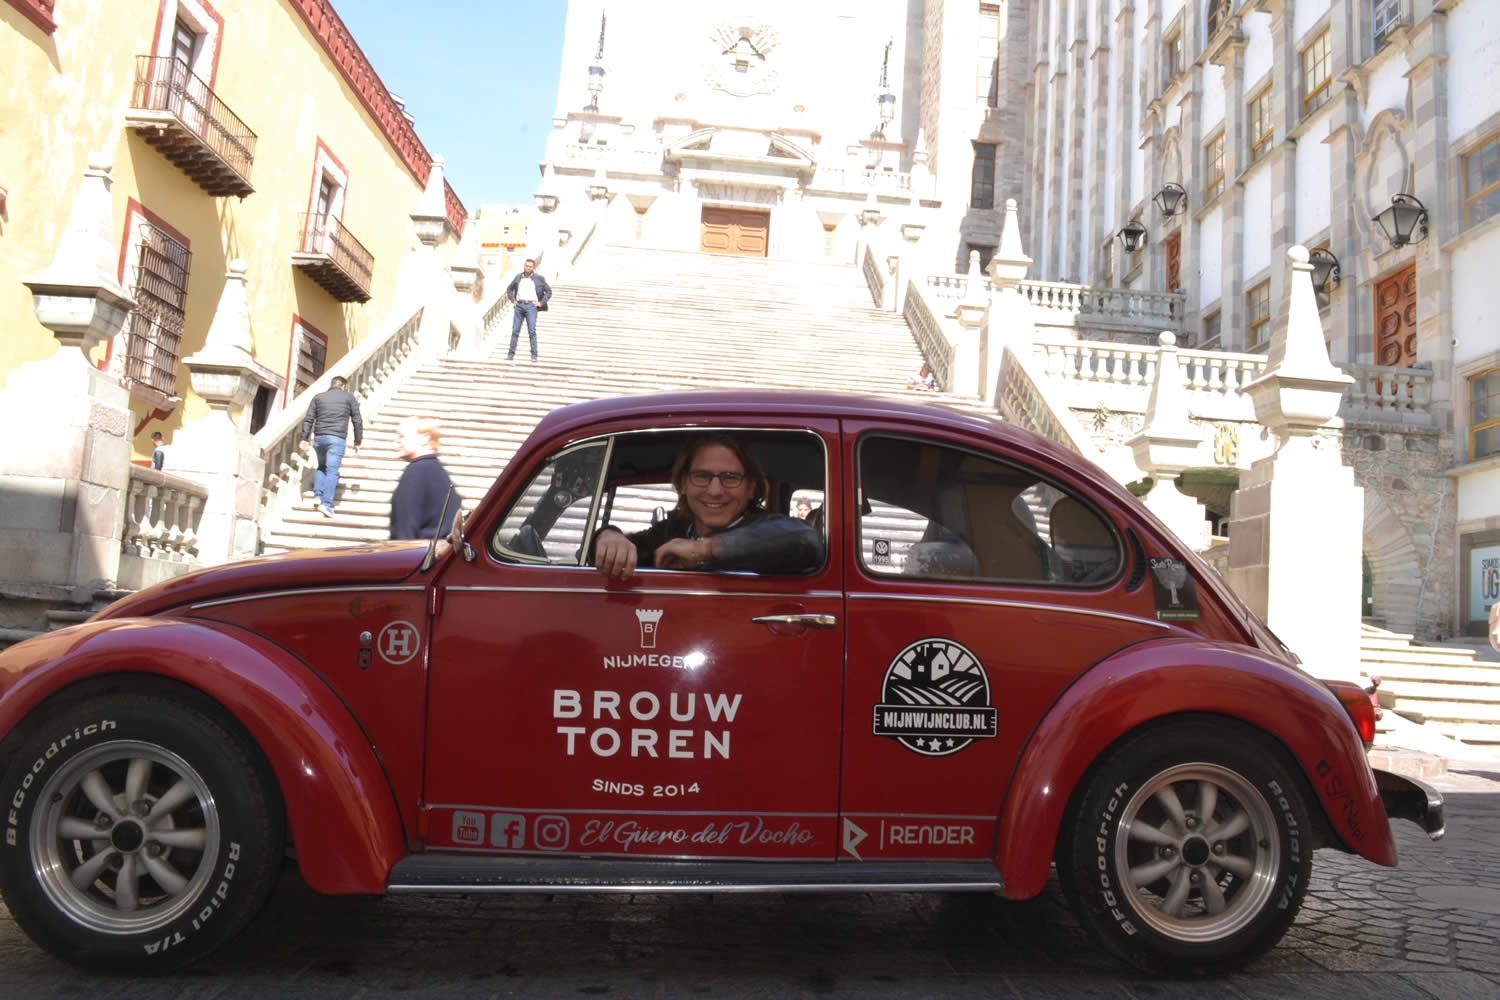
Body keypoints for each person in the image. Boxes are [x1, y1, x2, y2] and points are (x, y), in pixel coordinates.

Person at [593, 434, 824, 581]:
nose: (714, 490)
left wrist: (704, 550)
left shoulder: (766, 526)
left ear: (751, 488)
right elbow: (625, 551)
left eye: (730, 477)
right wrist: (608, 535)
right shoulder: (672, 530)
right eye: (702, 476)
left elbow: (805, 539)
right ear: (683, 484)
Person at [298, 375, 363, 518]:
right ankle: (326, 504)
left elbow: (309, 419)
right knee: (332, 471)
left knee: (321, 466)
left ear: (332, 384)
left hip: (320, 438)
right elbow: (357, 420)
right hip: (337, 439)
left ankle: (317, 495)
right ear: (343, 386)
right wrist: (357, 441)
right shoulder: (348, 398)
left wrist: (304, 438)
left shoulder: (318, 397)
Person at [390, 416, 463, 540]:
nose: (396, 441)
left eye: (401, 436)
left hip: (418, 549)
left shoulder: (415, 472)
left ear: (425, 438)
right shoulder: (440, 472)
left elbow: (405, 533)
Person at [504, 258, 552, 361]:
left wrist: (541, 303)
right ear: (524, 266)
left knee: (532, 331)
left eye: (530, 266)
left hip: (531, 307)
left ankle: (534, 355)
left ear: (533, 268)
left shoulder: (539, 278)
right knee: (515, 331)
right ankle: (510, 355)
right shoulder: (518, 277)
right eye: (526, 266)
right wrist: (513, 300)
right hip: (519, 306)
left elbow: (549, 291)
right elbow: (509, 289)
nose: (528, 268)